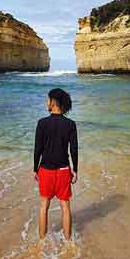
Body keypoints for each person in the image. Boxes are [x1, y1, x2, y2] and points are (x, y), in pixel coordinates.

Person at [33, 87, 78, 241]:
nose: (46, 103)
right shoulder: (70, 124)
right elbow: (74, 149)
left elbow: (37, 148)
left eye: (48, 100)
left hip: (45, 170)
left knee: (43, 206)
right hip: (64, 170)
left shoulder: (42, 123)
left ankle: (41, 241)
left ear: (53, 103)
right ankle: (68, 241)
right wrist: (75, 169)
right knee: (65, 206)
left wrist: (35, 169)